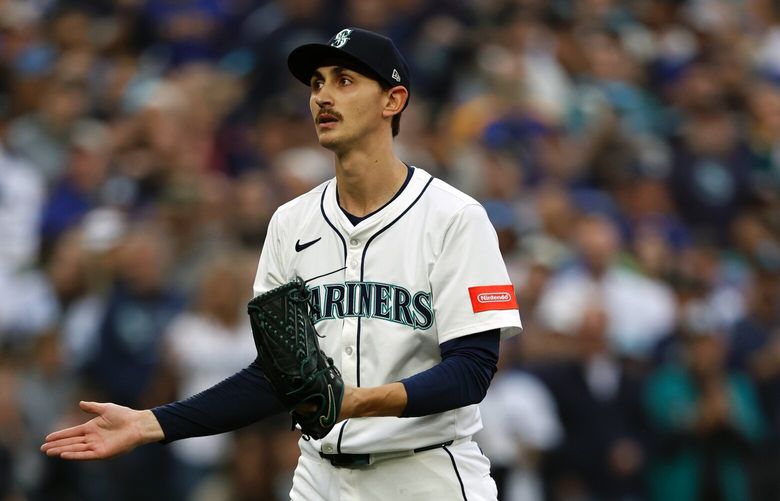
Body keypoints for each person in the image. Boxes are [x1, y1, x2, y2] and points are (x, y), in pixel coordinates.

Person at [41, 27, 522, 501]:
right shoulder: (290, 223)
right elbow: (273, 377)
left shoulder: (454, 217)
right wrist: (150, 423)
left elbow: (473, 370)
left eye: (344, 80)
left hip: (425, 473)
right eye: (316, 84)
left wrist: (355, 401)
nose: (322, 97)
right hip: (319, 477)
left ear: (392, 101)